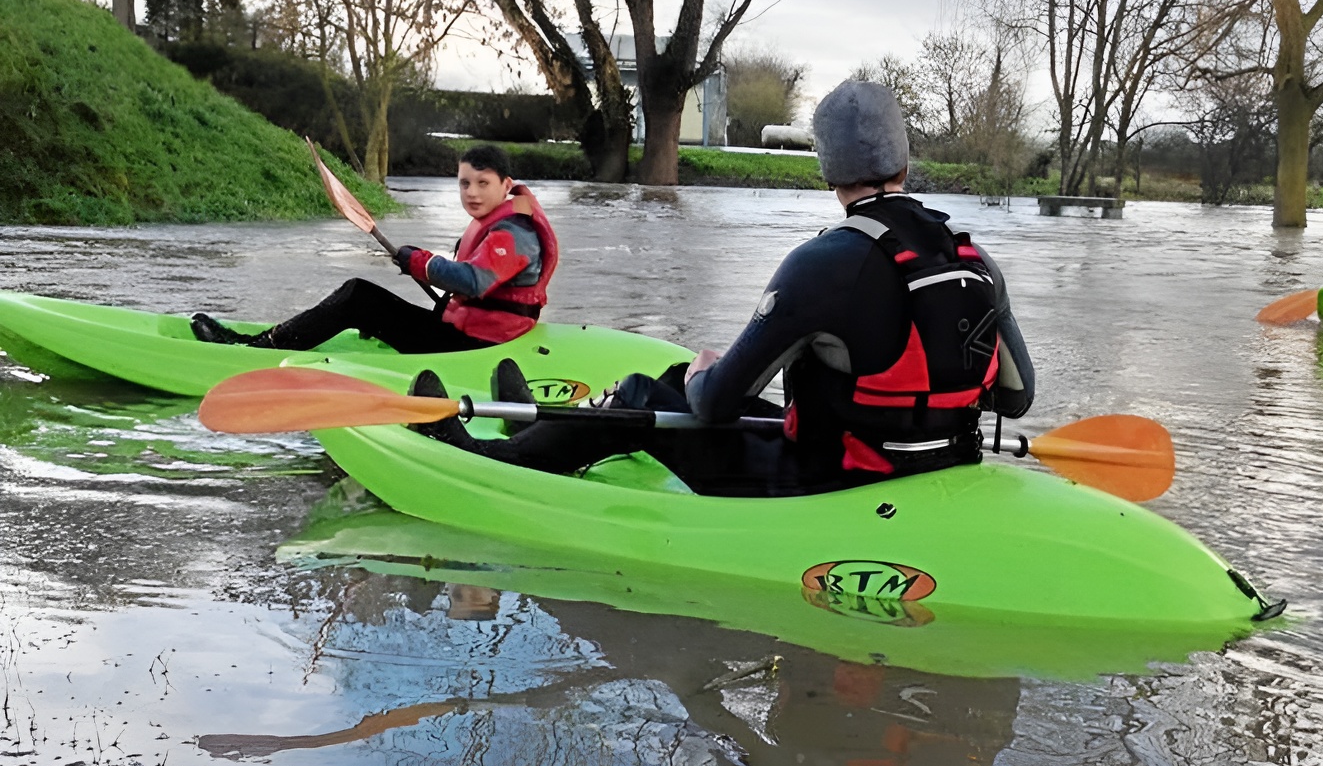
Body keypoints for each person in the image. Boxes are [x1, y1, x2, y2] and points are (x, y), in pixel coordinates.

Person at [413, 80, 1036, 497]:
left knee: (646, 389)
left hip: (826, 482)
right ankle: (541, 425)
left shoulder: (823, 261)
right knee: (681, 386)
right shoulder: (972, 254)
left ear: (826, 166)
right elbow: (1015, 398)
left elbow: (714, 406)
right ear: (905, 158)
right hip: (934, 462)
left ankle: (489, 461)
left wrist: (700, 377)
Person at [191, 145, 557, 352]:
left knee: (358, 298)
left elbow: (475, 282)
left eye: (482, 183)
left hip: (477, 344)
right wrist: (418, 262)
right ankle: (266, 339)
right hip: (466, 330)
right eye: (464, 184)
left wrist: (422, 263)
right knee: (361, 298)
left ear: (506, 185)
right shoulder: (494, 218)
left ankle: (261, 350)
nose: (471, 193)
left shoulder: (514, 232)